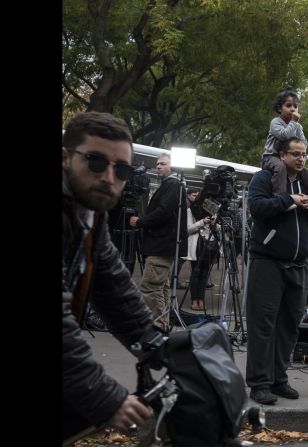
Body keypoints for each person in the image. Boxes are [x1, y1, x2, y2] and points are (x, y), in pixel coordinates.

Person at [62, 111, 154, 442]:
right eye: (96, 162)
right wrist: (107, 398)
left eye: (122, 169)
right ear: (65, 158)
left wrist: (161, 346)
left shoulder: (90, 213)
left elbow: (115, 289)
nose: (109, 177)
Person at [246, 137, 308, 405]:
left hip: (298, 265)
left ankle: (279, 379)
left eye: (304, 154)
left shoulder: (307, 180)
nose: (302, 159)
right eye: (296, 154)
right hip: (267, 262)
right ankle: (260, 383)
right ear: (282, 155)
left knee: (290, 325)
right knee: (263, 325)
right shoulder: (264, 177)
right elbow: (257, 208)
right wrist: (288, 199)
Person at [130, 152, 188, 331]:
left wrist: (140, 221)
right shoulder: (171, 185)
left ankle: (157, 327)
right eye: (157, 164)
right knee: (160, 286)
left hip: (161, 245)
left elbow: (163, 212)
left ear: (172, 166)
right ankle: (161, 325)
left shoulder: (173, 185)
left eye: (163, 163)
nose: (158, 167)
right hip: (162, 245)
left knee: (150, 287)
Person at [261, 88, 308, 216]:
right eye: (288, 105)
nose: (293, 109)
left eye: (295, 106)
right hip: (272, 157)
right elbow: (284, 136)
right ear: (280, 108)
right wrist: (294, 122)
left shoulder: (298, 126)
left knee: (307, 172)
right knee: (280, 168)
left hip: (288, 157)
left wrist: (296, 128)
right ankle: (281, 200)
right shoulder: (276, 122)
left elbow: (304, 143)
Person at [183, 187, 212, 310]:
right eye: (194, 196)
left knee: (205, 275)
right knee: (195, 274)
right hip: (196, 245)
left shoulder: (210, 211)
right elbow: (188, 229)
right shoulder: (190, 210)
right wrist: (202, 222)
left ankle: (201, 300)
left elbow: (213, 230)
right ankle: (194, 300)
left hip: (209, 245)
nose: (198, 198)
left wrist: (214, 224)